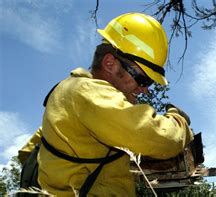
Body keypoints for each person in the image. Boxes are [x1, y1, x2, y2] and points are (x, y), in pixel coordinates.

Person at [17, 13, 193, 196]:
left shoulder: (73, 98)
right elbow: (160, 137)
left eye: (149, 83)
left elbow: (28, 152)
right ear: (110, 63)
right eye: (142, 79)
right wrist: (178, 120)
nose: (145, 90)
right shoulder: (87, 92)